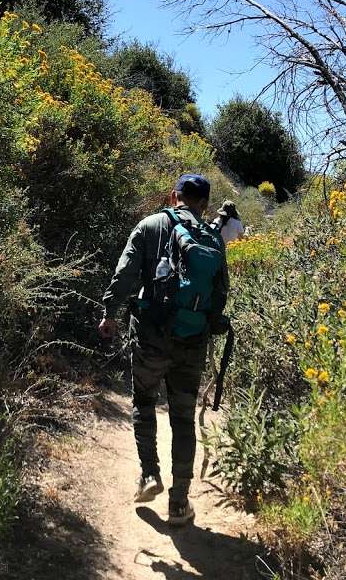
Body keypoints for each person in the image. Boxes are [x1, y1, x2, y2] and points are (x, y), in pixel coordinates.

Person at [99, 173, 230, 526]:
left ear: (175, 196)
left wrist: (110, 312)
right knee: (183, 419)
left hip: (150, 336)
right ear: (204, 204)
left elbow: (125, 273)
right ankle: (179, 502)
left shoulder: (151, 225)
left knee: (143, 401)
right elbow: (220, 294)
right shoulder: (212, 239)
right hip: (192, 340)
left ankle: (149, 474)